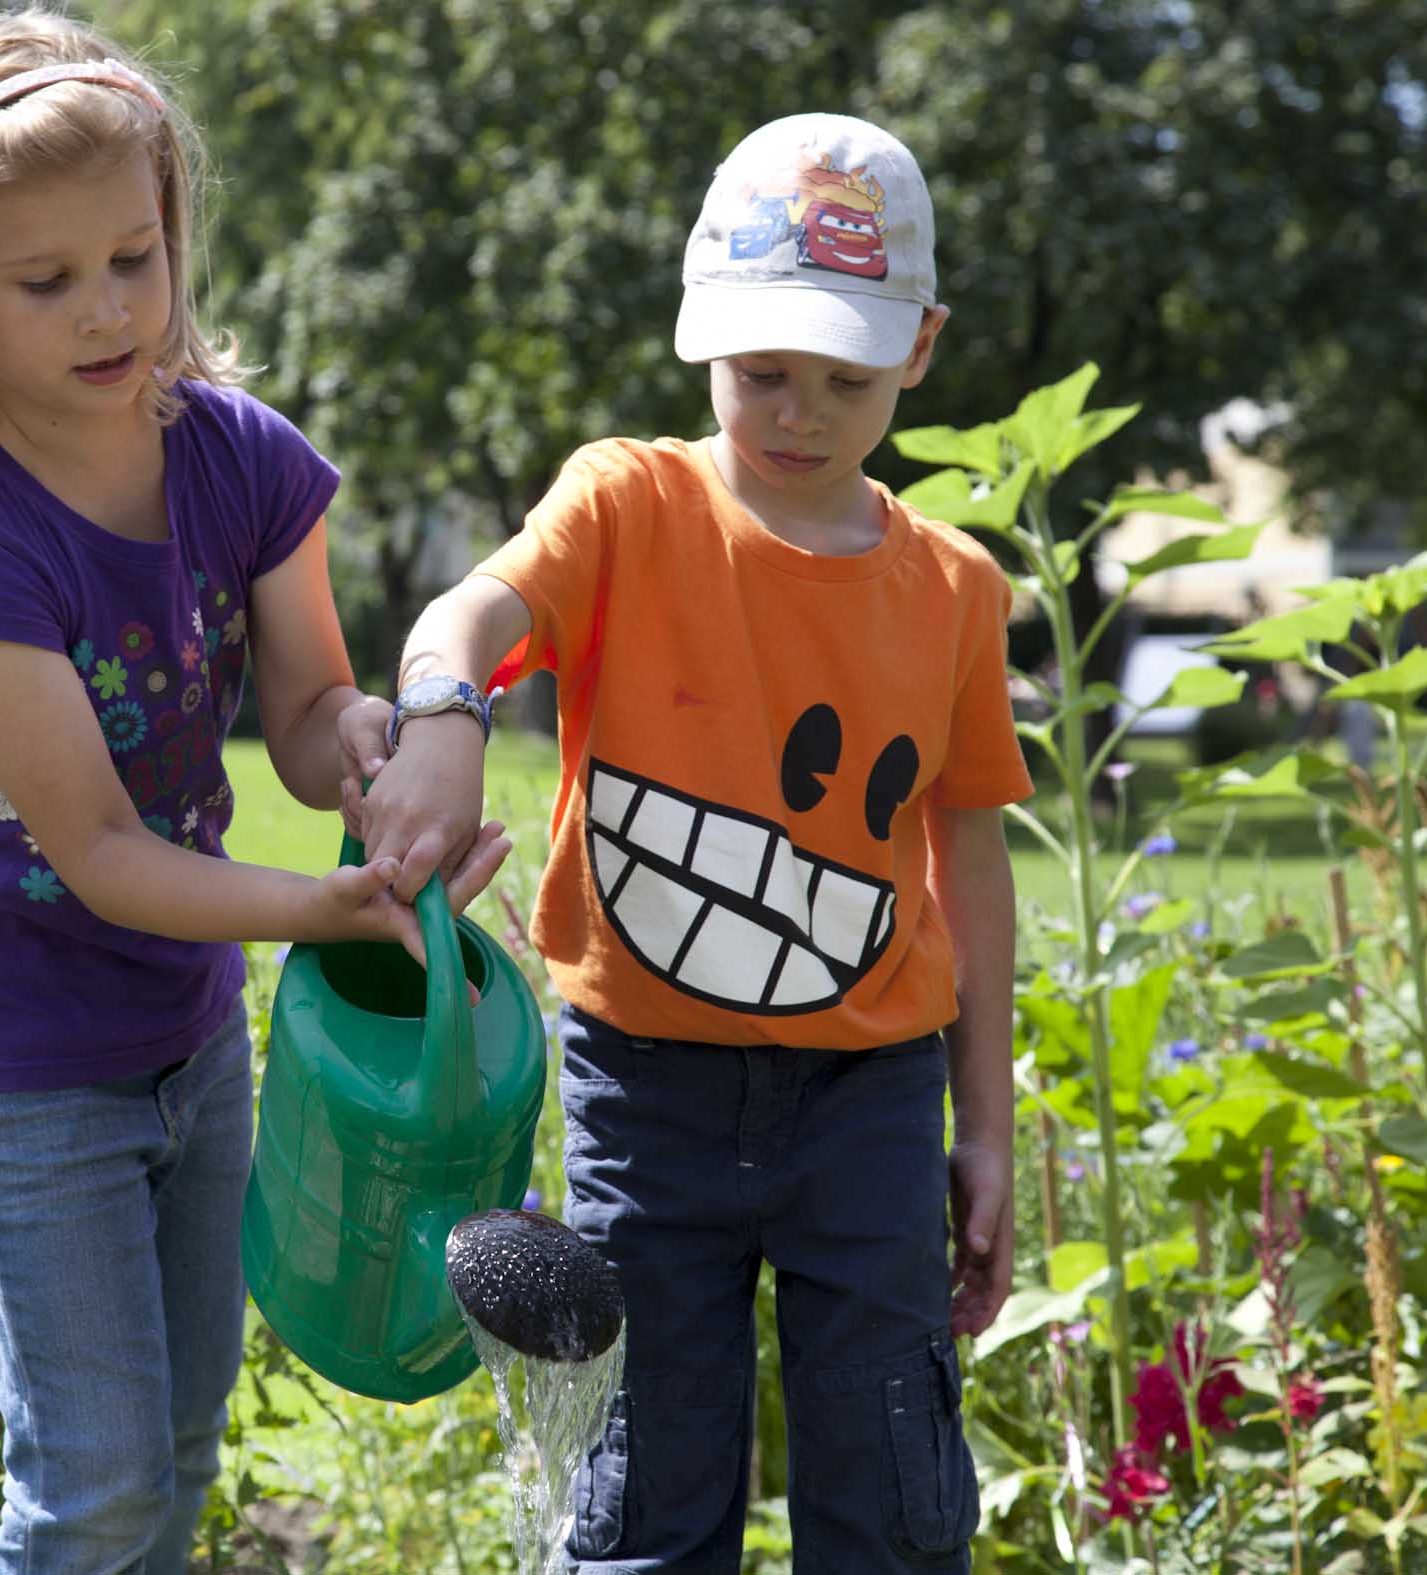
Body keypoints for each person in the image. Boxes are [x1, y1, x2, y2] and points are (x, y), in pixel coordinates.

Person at [0, 9, 507, 1572]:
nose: (107, 308)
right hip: (22, 1045)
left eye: (134, 256)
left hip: (185, 1030)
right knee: (96, 1483)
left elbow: (308, 705)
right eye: (43, 280)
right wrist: (325, 909)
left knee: (179, 1453)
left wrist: (382, 773)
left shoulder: (241, 458)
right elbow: (104, 847)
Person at [351, 114, 1028, 1573]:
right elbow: (466, 617)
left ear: (919, 350)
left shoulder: (957, 590)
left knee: (892, 1499)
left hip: (869, 1102)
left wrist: (986, 1131)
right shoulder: (627, 504)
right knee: (642, 1493)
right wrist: (444, 713)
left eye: (842, 379)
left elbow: (969, 867)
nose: (793, 413)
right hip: (642, 1092)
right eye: (756, 373)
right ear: (696, 336)